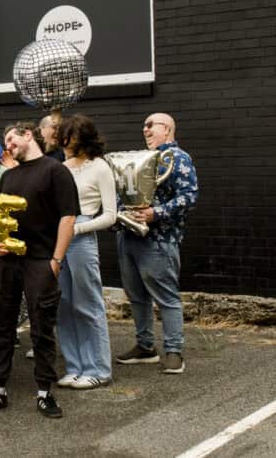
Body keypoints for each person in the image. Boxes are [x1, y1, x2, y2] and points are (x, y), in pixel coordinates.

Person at [0, 122, 78, 420]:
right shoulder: (7, 176)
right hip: (5, 262)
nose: (7, 145)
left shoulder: (54, 170)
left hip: (40, 260)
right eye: (4, 141)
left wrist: (56, 259)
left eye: (11, 139)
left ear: (27, 136)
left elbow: (68, 217)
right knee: (0, 323)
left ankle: (45, 393)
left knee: (42, 326)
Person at [115, 113, 198, 374]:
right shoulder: (140, 158)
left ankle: (174, 352)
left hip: (159, 240)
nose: (146, 130)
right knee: (136, 297)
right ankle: (145, 346)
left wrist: (155, 213)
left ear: (168, 129)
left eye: (152, 126)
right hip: (129, 236)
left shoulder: (178, 158)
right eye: (144, 126)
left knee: (167, 297)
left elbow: (189, 196)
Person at [54, 115, 117, 390]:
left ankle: (98, 369)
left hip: (81, 234)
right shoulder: (61, 167)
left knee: (88, 304)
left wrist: (78, 230)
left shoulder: (100, 167)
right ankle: (74, 366)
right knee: (63, 304)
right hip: (59, 235)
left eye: (71, 138)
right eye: (63, 138)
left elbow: (111, 215)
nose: (66, 143)